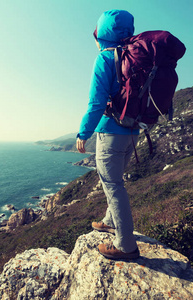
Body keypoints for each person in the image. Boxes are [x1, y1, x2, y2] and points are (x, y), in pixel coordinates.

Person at [76, 9, 140, 260]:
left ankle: (126, 244)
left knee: (113, 185)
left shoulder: (105, 58)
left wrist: (84, 133)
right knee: (116, 181)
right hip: (133, 132)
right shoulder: (135, 57)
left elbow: (96, 102)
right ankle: (109, 221)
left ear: (102, 34)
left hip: (111, 133)